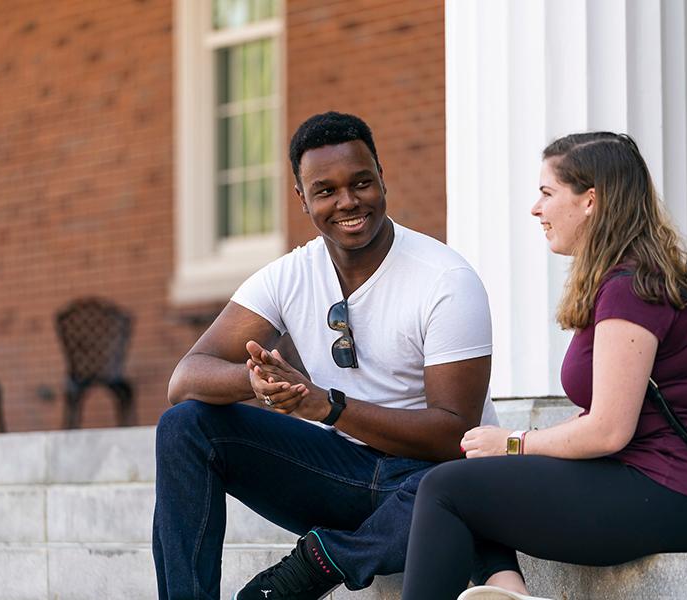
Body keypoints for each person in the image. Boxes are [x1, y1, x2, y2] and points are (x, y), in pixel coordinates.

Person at [152, 111, 496, 600]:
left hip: (422, 480)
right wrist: (256, 384)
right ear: (302, 198)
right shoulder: (289, 275)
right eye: (326, 190)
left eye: (361, 183)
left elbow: (453, 433)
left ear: (382, 177)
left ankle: (320, 562)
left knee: (463, 489)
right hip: (338, 474)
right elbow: (184, 379)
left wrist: (329, 406)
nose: (348, 202)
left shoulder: (444, 279)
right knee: (184, 426)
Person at [400, 132, 687, 600]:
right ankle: (506, 592)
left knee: (445, 489)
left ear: (590, 199)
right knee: (468, 476)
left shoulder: (631, 288)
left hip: (669, 493)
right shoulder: (626, 278)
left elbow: (608, 431)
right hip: (649, 484)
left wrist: (514, 442)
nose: (537, 209)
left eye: (547, 193)